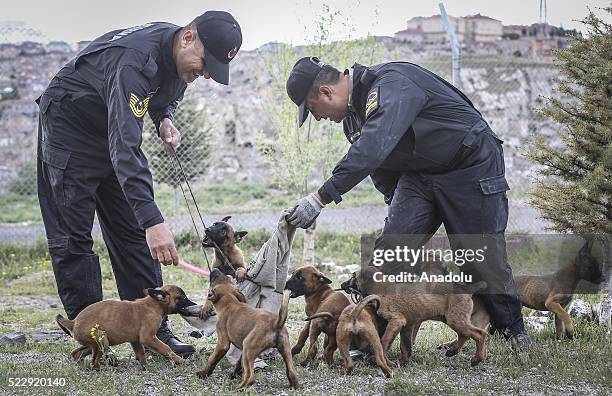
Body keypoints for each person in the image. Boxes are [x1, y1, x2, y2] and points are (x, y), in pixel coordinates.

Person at [285, 57, 533, 350]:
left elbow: (373, 148)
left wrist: (320, 198)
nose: (318, 118)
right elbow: (381, 170)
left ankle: (513, 331)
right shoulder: (353, 118)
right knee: (391, 251)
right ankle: (370, 342)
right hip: (421, 175)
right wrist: (403, 213)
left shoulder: (392, 83)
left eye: (313, 110)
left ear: (326, 92)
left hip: (470, 163)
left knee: (477, 254)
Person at [36, 11, 242, 358]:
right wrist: (154, 221)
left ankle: (153, 329)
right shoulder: (134, 62)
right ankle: (94, 337)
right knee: (74, 238)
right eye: (206, 64)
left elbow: (163, 96)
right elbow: (125, 148)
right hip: (69, 129)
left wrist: (164, 119)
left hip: (108, 130)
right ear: (189, 38)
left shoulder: (179, 60)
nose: (205, 74)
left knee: (132, 233)